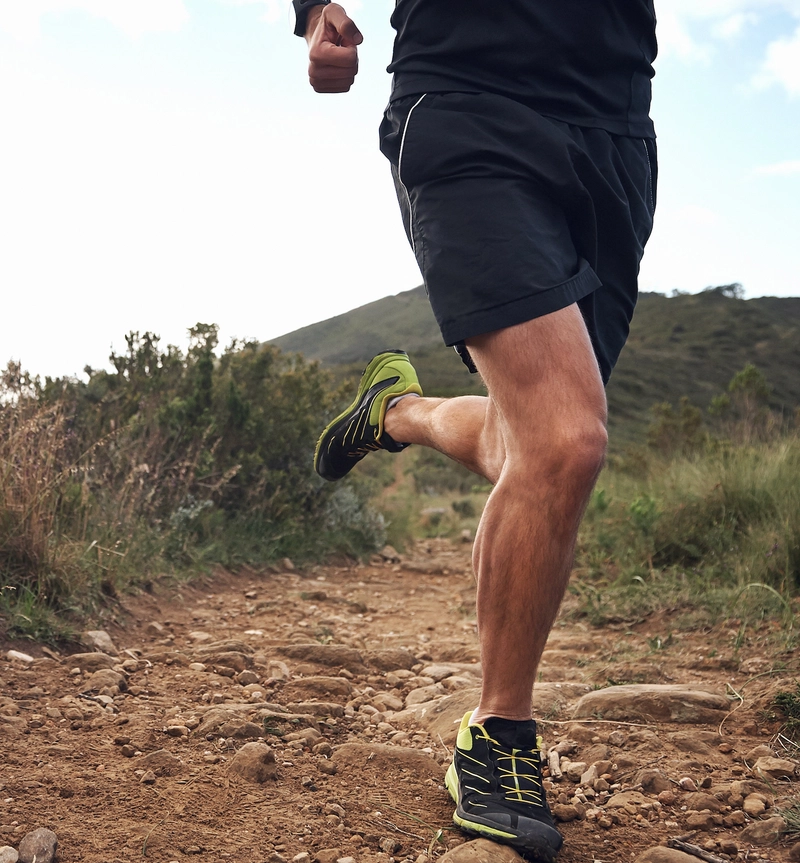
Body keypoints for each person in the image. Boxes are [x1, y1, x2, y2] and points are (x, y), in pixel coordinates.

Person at [294, 2, 657, 859]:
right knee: (568, 438)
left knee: (533, 442)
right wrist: (312, 10)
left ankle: (397, 411)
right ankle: (497, 735)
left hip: (613, 124)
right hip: (466, 98)